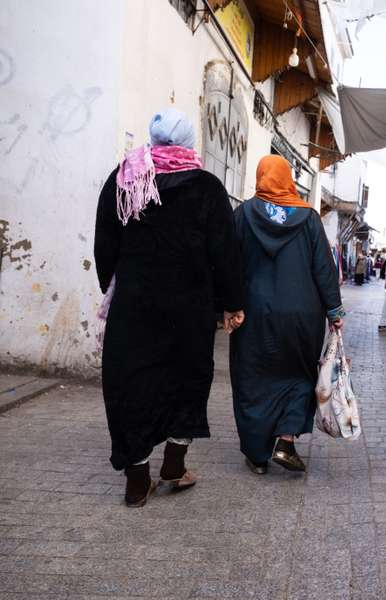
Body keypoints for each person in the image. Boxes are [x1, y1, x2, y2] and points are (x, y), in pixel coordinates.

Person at [94, 107, 244, 508]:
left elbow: (104, 244)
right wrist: (231, 303)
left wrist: (116, 286)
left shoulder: (124, 178)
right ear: (189, 142)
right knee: (188, 381)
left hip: (135, 306)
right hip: (189, 307)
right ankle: (174, 468)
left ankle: (137, 479)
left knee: (133, 384)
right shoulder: (208, 187)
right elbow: (224, 251)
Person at [230, 155, 344, 475]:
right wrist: (334, 310)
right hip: (302, 316)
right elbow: (324, 268)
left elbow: (230, 265)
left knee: (253, 379)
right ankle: (285, 441)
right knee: (297, 375)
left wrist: (227, 306)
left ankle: (256, 454)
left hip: (254, 315)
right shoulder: (308, 217)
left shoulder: (243, 214)